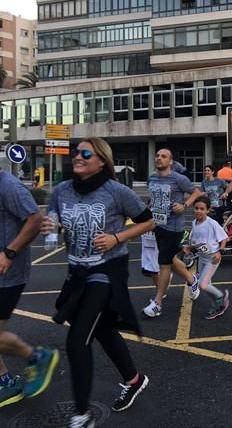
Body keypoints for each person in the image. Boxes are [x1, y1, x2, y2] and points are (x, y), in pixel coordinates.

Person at [46, 138, 153, 428]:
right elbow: (53, 220)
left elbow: (148, 221)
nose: (76, 157)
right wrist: (51, 228)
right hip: (77, 272)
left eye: (84, 153)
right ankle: (134, 379)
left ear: (101, 160)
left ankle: (82, 415)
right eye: (75, 152)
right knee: (103, 329)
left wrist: (116, 238)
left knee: (77, 340)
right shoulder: (61, 190)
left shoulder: (117, 191)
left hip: (106, 271)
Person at [0, 169, 58, 408]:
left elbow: (34, 218)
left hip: (7, 274)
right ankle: (5, 382)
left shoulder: (8, 185)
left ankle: (37, 357)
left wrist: (9, 252)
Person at [143, 148, 202, 318]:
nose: (159, 158)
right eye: (157, 155)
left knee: (164, 263)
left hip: (173, 227)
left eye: (164, 156)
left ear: (170, 161)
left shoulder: (178, 179)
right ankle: (191, 280)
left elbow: (196, 192)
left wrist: (185, 205)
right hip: (156, 225)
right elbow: (153, 199)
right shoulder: (151, 178)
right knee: (169, 258)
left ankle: (157, 303)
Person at [184, 196, 230, 320]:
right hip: (202, 257)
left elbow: (224, 238)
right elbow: (198, 240)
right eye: (196, 208)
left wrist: (220, 252)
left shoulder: (212, 223)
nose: (199, 211)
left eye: (202, 209)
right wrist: (189, 247)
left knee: (202, 285)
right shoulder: (194, 223)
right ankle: (217, 302)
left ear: (208, 210)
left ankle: (221, 298)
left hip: (213, 258)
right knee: (206, 284)